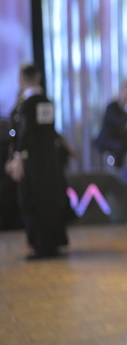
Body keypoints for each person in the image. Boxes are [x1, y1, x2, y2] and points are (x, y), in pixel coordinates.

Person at [4, 63, 72, 259]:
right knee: (48, 200)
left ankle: (42, 244)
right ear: (39, 77)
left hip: (32, 162)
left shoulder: (26, 105)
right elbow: (48, 131)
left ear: (21, 80)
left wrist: (18, 156)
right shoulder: (45, 102)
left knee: (31, 200)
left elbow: (26, 133)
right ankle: (51, 242)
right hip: (48, 161)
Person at [94, 81, 127, 168]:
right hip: (107, 139)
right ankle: (118, 171)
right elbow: (120, 121)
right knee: (120, 147)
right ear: (121, 92)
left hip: (120, 138)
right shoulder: (112, 107)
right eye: (126, 93)